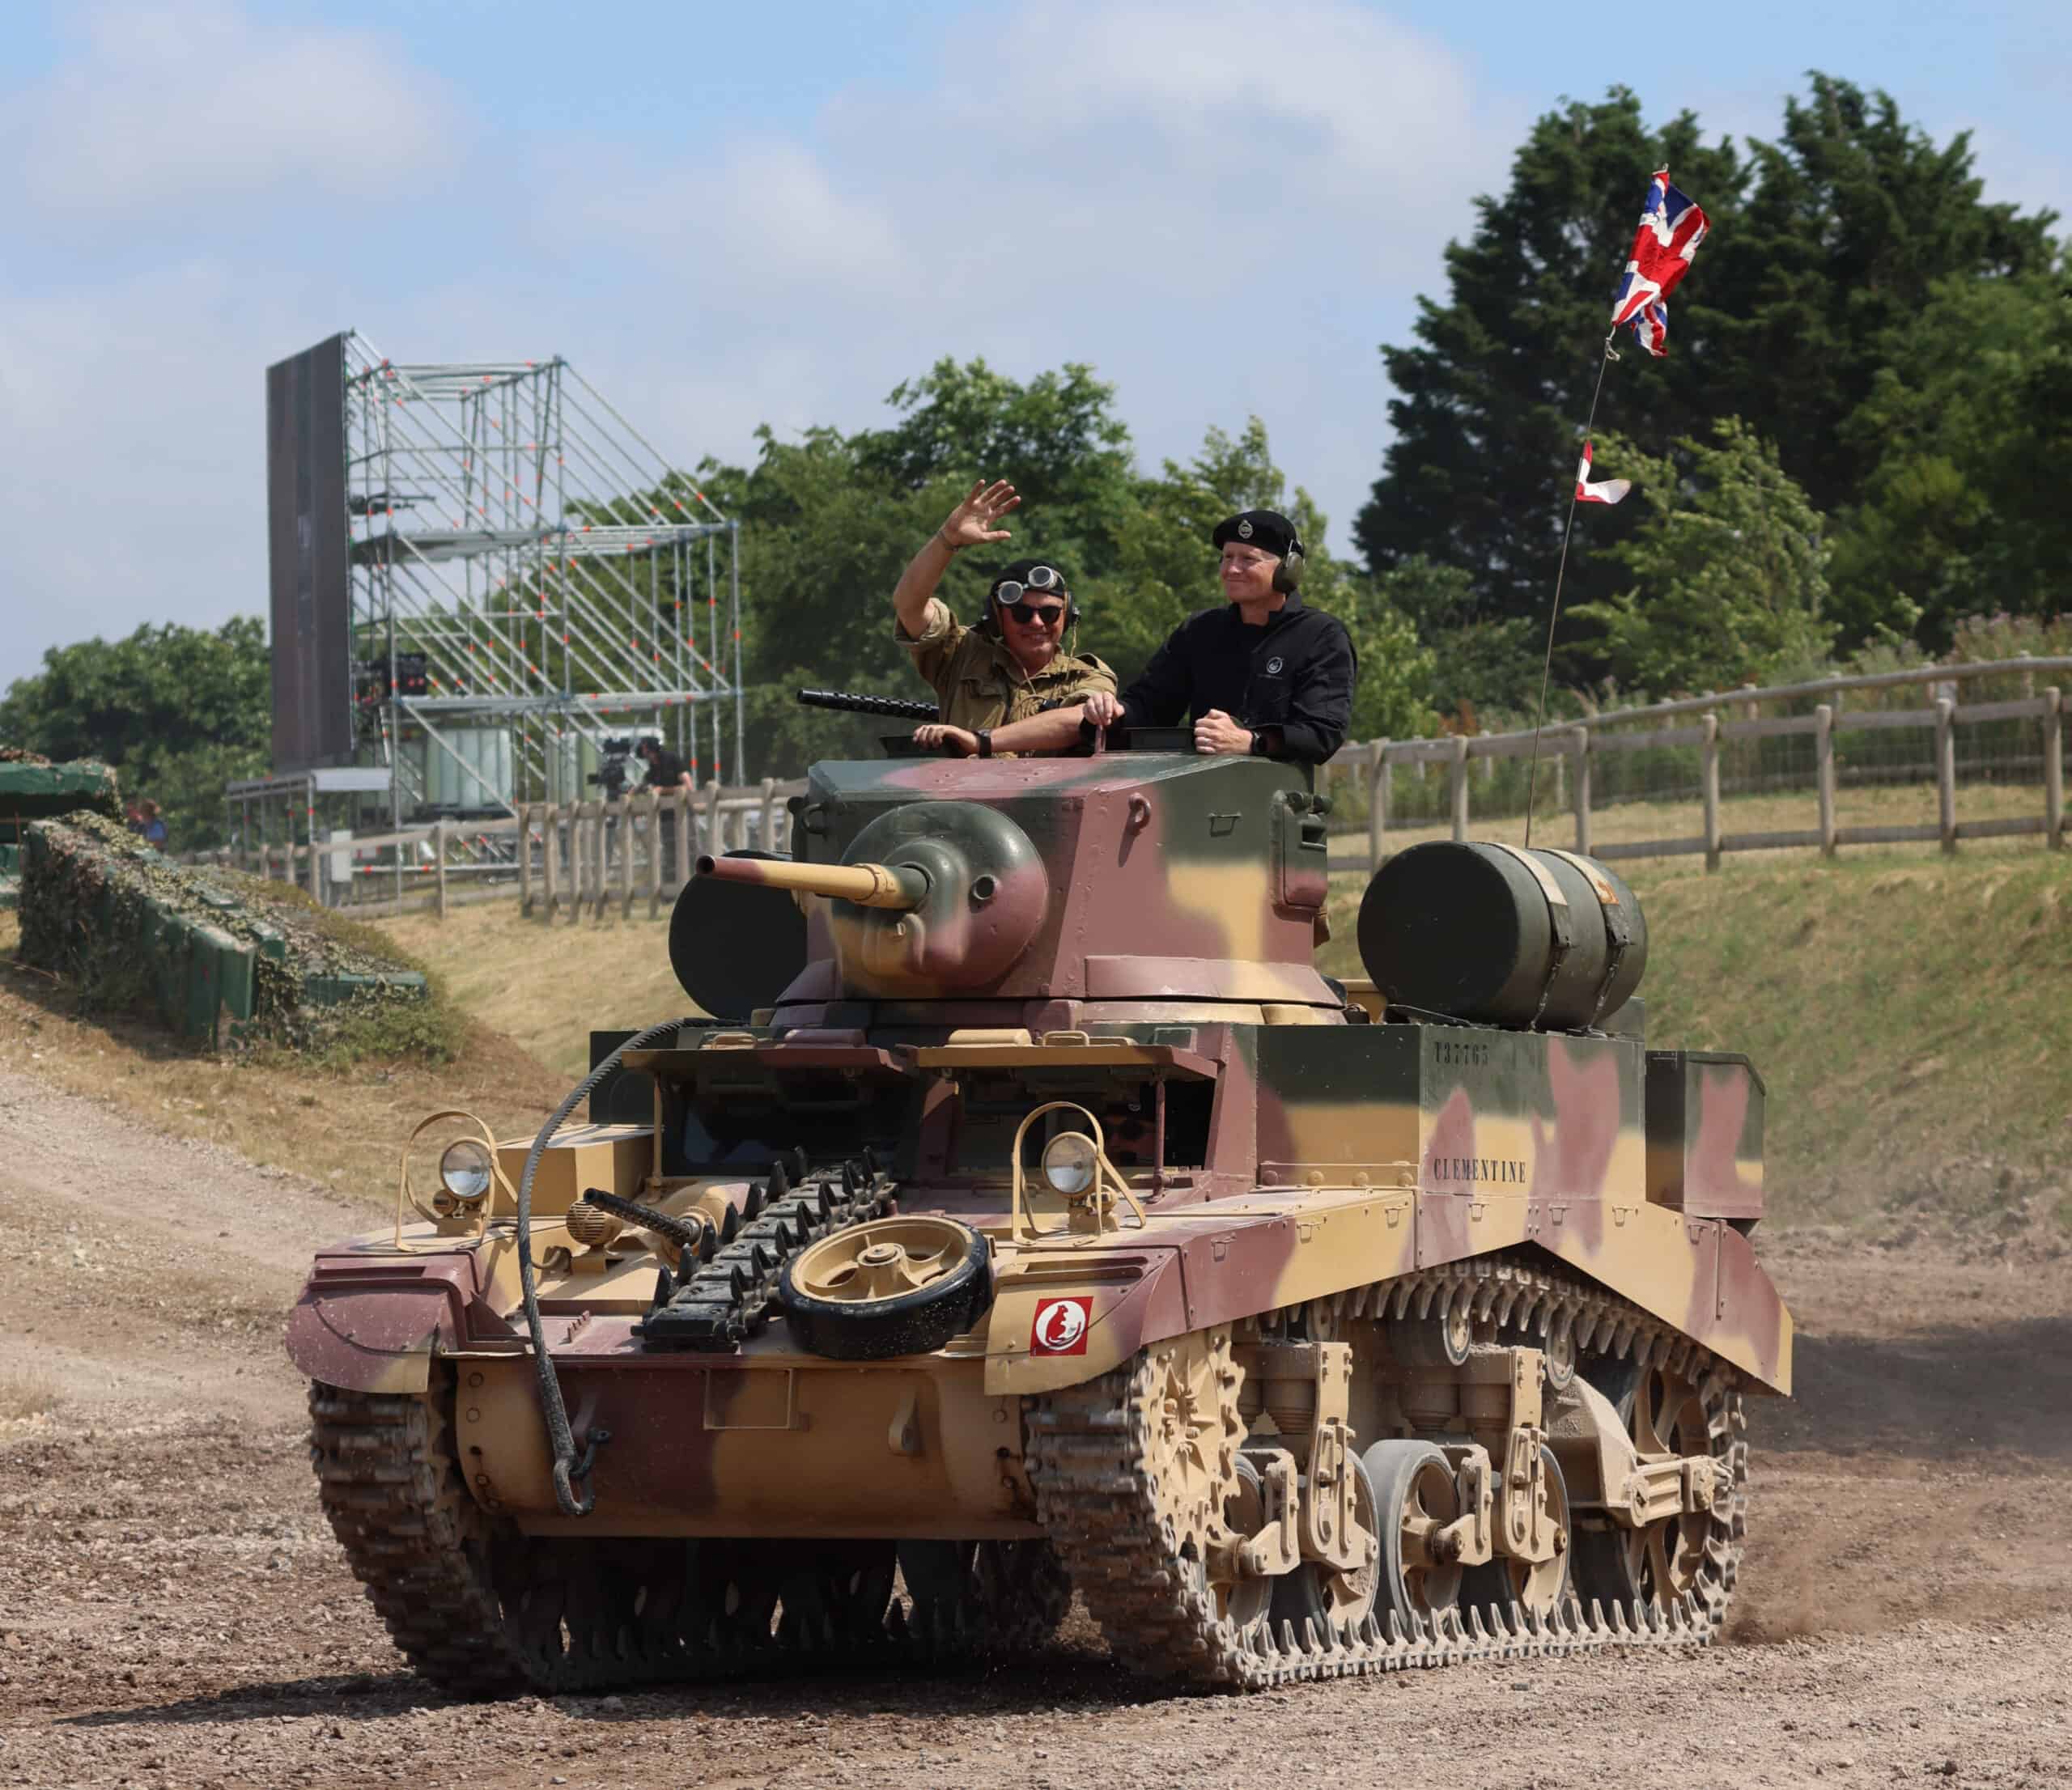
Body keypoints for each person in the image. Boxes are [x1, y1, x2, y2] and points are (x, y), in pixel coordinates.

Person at [950, 509, 1356, 764]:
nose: (1231, 569)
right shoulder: (1201, 632)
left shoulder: (1321, 637)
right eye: (1226, 558)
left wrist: (1250, 742)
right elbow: (1151, 705)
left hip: (1277, 807)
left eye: (1247, 560)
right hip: (1200, 802)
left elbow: (1322, 734)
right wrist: (1111, 712)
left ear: (1288, 570)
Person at [894, 479, 1116, 757]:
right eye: (1022, 613)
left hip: (1047, 800)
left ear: (1068, 614)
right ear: (998, 618)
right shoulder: (962, 655)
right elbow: (909, 606)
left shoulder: (1086, 675)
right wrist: (947, 539)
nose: (1037, 623)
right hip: (963, 797)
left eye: (1049, 613)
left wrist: (979, 742)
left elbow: (1079, 720)